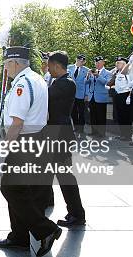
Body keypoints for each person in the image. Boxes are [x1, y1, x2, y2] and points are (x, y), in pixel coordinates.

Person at [0, 46, 61, 256]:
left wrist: (4, 149)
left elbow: (17, 123)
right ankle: (20, 236)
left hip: (23, 142)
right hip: (37, 138)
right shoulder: (38, 79)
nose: (6, 69)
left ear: (15, 63)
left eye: (6, 64)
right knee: (21, 190)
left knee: (10, 189)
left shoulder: (22, 84)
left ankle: (46, 230)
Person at [46, 51, 86, 227]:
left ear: (56, 65)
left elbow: (43, 96)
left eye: (49, 66)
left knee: (64, 175)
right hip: (55, 133)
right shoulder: (60, 82)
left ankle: (77, 214)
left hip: (60, 134)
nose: (48, 70)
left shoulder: (66, 83)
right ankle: (68, 210)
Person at [85, 56, 112, 137]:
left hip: (101, 98)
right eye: (96, 62)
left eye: (99, 62)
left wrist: (98, 76)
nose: (97, 64)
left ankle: (101, 133)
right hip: (92, 97)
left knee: (101, 116)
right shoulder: (93, 71)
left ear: (103, 63)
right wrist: (88, 75)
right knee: (93, 115)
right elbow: (86, 82)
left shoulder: (108, 73)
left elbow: (107, 83)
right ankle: (94, 131)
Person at [107, 57, 133, 141]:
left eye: (119, 63)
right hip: (118, 95)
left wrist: (129, 96)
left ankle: (128, 135)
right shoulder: (117, 73)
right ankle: (123, 134)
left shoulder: (127, 72)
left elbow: (130, 85)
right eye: (116, 63)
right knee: (120, 116)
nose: (117, 64)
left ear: (124, 64)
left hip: (125, 95)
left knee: (126, 116)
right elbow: (109, 83)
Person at [68, 55, 89, 134]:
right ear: (76, 59)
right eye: (79, 60)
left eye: (83, 61)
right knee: (73, 112)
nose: (81, 62)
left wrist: (86, 94)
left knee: (81, 112)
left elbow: (87, 83)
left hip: (81, 94)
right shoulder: (69, 67)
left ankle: (81, 128)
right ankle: (76, 127)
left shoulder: (86, 70)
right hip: (71, 94)